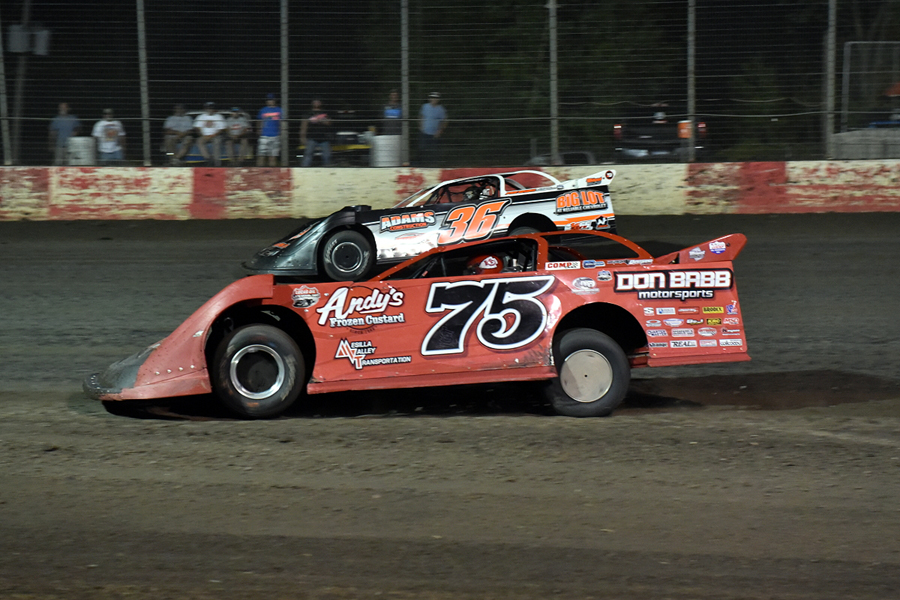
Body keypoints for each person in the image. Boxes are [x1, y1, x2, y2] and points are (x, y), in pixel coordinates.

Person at [300, 98, 333, 167]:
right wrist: (302, 137)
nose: (316, 103)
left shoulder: (325, 113)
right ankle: (304, 169)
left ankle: (328, 169)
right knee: (308, 154)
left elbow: (329, 123)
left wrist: (321, 120)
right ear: (312, 103)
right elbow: (304, 125)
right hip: (311, 137)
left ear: (321, 103)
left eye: (318, 102)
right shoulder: (308, 113)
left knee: (327, 156)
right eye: (315, 102)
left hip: (324, 138)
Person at [419, 91, 447, 166]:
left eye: (436, 98)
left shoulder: (441, 109)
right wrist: (421, 127)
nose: (434, 99)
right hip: (424, 133)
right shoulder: (425, 106)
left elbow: (444, 121)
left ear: (438, 99)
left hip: (435, 134)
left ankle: (433, 166)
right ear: (429, 98)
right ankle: (421, 165)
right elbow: (421, 117)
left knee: (434, 152)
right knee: (422, 149)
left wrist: (439, 131)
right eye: (432, 97)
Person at [193, 102, 226, 166]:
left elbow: (222, 129)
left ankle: (217, 162)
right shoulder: (201, 117)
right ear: (205, 108)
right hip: (204, 135)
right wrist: (203, 135)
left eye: (211, 108)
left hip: (215, 135)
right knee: (199, 141)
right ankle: (208, 159)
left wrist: (212, 135)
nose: (210, 109)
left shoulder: (219, 117)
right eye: (208, 108)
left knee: (217, 141)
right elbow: (197, 128)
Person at [256, 93, 283, 167]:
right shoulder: (263, 110)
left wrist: (281, 132)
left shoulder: (279, 110)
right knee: (261, 156)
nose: (270, 101)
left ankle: (272, 173)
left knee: (272, 157)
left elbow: (282, 122)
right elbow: (259, 121)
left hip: (275, 136)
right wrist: (258, 130)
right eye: (268, 100)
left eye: (271, 100)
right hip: (264, 136)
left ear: (275, 100)